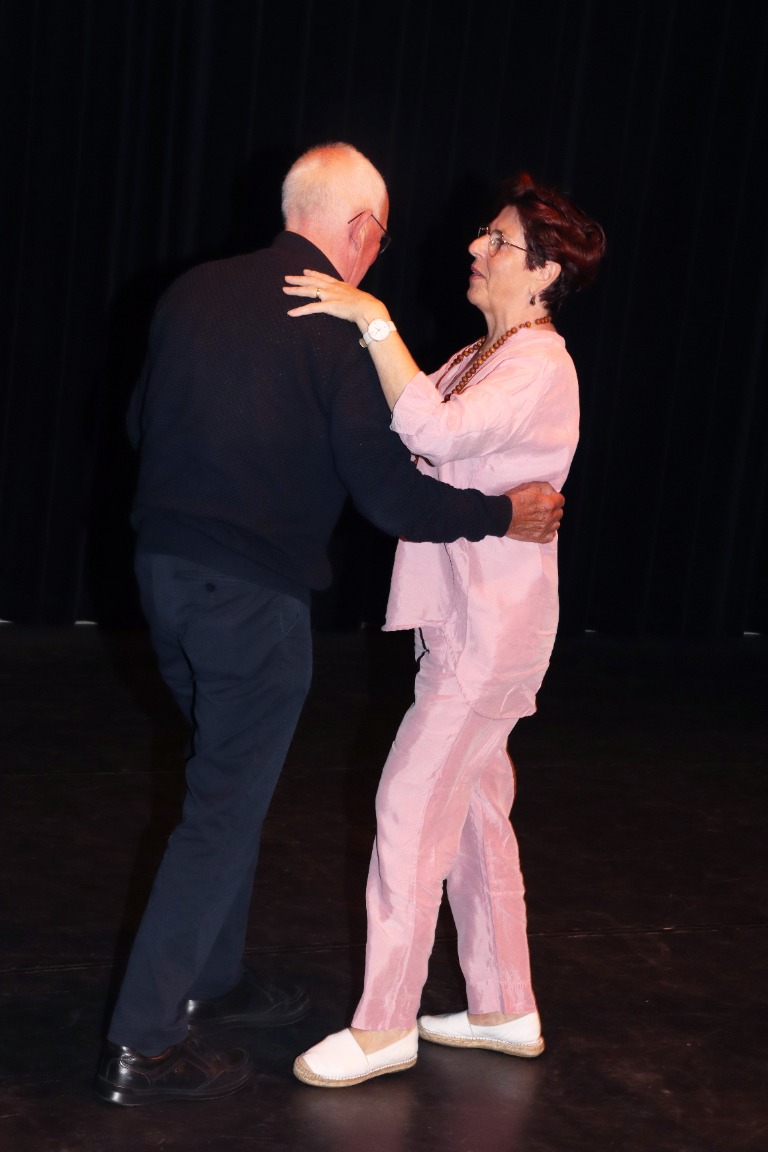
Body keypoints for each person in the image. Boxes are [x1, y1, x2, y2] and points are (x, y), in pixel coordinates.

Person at [94, 144, 565, 1107]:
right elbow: (394, 491)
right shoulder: (335, 325)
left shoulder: (191, 292)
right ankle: (144, 1042)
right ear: (360, 230)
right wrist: (500, 513)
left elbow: (142, 422)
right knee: (230, 806)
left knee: (236, 782)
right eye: (379, 240)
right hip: (254, 603)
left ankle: (222, 980)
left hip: (162, 581)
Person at [283, 171, 606, 1087]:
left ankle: (385, 1024)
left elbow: (433, 429)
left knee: (410, 803)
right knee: (472, 816)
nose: (475, 247)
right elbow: (410, 427)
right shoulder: (483, 354)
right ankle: (505, 1006)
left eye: (498, 241)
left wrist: (373, 319)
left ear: (543, 272)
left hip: (491, 635)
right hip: (464, 623)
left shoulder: (541, 365)